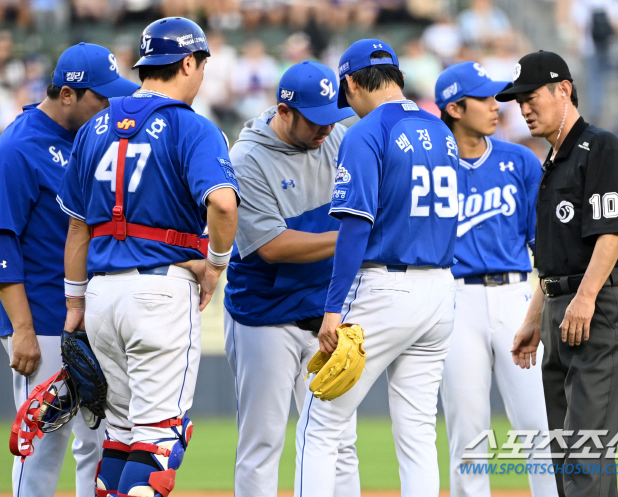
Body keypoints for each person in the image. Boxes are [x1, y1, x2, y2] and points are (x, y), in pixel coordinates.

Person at [56, 18, 240, 497]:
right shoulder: (193, 127)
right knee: (160, 439)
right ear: (186, 62)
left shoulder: (93, 127)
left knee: (119, 437)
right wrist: (216, 266)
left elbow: (77, 227)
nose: (201, 74)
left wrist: (74, 307)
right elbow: (222, 203)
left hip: (99, 296)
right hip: (159, 292)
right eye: (201, 63)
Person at [294, 39, 458, 497]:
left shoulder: (367, 133)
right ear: (397, 78)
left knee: (319, 418)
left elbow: (353, 229)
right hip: (441, 289)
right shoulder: (441, 130)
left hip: (388, 288)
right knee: (418, 432)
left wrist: (332, 310)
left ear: (349, 82)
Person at [0, 42, 138, 497]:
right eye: (98, 97)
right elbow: (0, 244)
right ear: (67, 94)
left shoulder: (92, 138)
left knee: (99, 443)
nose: (108, 105)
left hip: (94, 315)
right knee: (43, 445)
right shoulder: (16, 150)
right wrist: (22, 329)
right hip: (43, 318)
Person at [499, 51, 618, 497]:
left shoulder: (600, 147)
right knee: (568, 460)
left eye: (531, 96)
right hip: (560, 306)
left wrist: (585, 298)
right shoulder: (551, 162)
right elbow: (551, 260)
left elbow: (612, 233)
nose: (523, 108)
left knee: (583, 456)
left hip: (595, 309)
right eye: (518, 100)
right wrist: (533, 319)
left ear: (564, 89)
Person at [224, 60, 359, 497]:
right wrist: (352, 239)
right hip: (266, 316)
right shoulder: (246, 158)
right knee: (263, 443)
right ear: (284, 111)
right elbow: (273, 246)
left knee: (340, 443)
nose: (326, 128)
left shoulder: (335, 135)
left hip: (325, 314)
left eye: (331, 116)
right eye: (316, 119)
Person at [435, 61, 558, 497]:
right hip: (455, 299)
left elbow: (541, 243)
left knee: (537, 425)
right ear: (454, 107)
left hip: (514, 297)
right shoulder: (433, 165)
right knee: (468, 434)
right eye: (485, 98)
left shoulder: (520, 160)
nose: (496, 106)